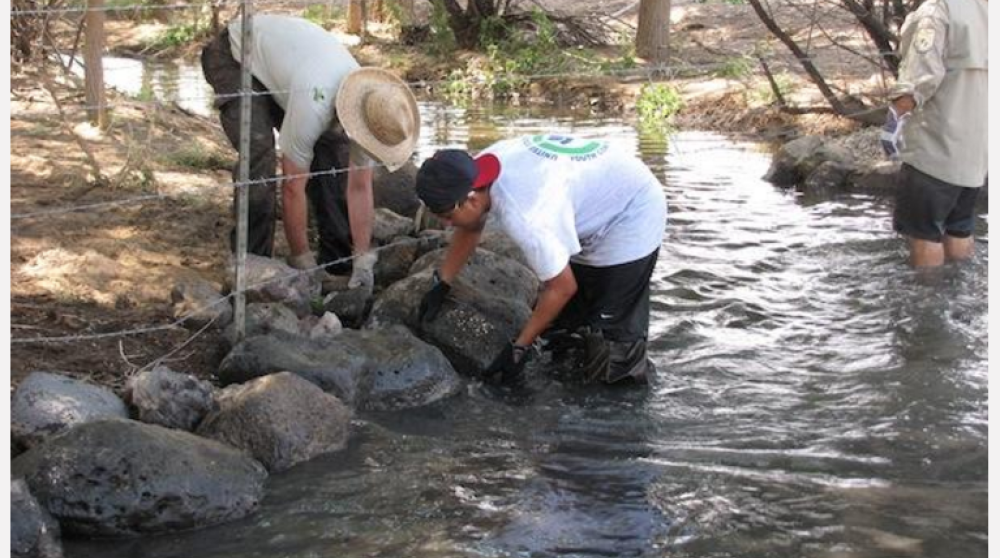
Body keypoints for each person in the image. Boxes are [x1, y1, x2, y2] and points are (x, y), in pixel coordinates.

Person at [414, 134, 667, 385]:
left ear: (470, 199)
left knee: (614, 345)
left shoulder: (527, 216)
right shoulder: (475, 172)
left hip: (632, 210)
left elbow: (562, 287)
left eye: (447, 215)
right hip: (594, 194)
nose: (445, 224)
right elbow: (471, 225)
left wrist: (518, 349)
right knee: (568, 328)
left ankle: (619, 408)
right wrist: (442, 281)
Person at [201, 14, 420, 291]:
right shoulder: (315, 104)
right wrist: (301, 260)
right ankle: (252, 273)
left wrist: (364, 257)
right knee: (259, 155)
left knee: (332, 156)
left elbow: (360, 187)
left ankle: (336, 263)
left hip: (286, 66)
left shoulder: (371, 110)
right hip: (235, 55)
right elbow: (293, 186)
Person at [881, 0, 987, 268]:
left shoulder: (938, 10)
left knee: (924, 234)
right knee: (959, 229)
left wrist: (893, 122)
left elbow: (919, 79)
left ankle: (926, 304)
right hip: (977, 153)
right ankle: (958, 300)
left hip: (936, 145)